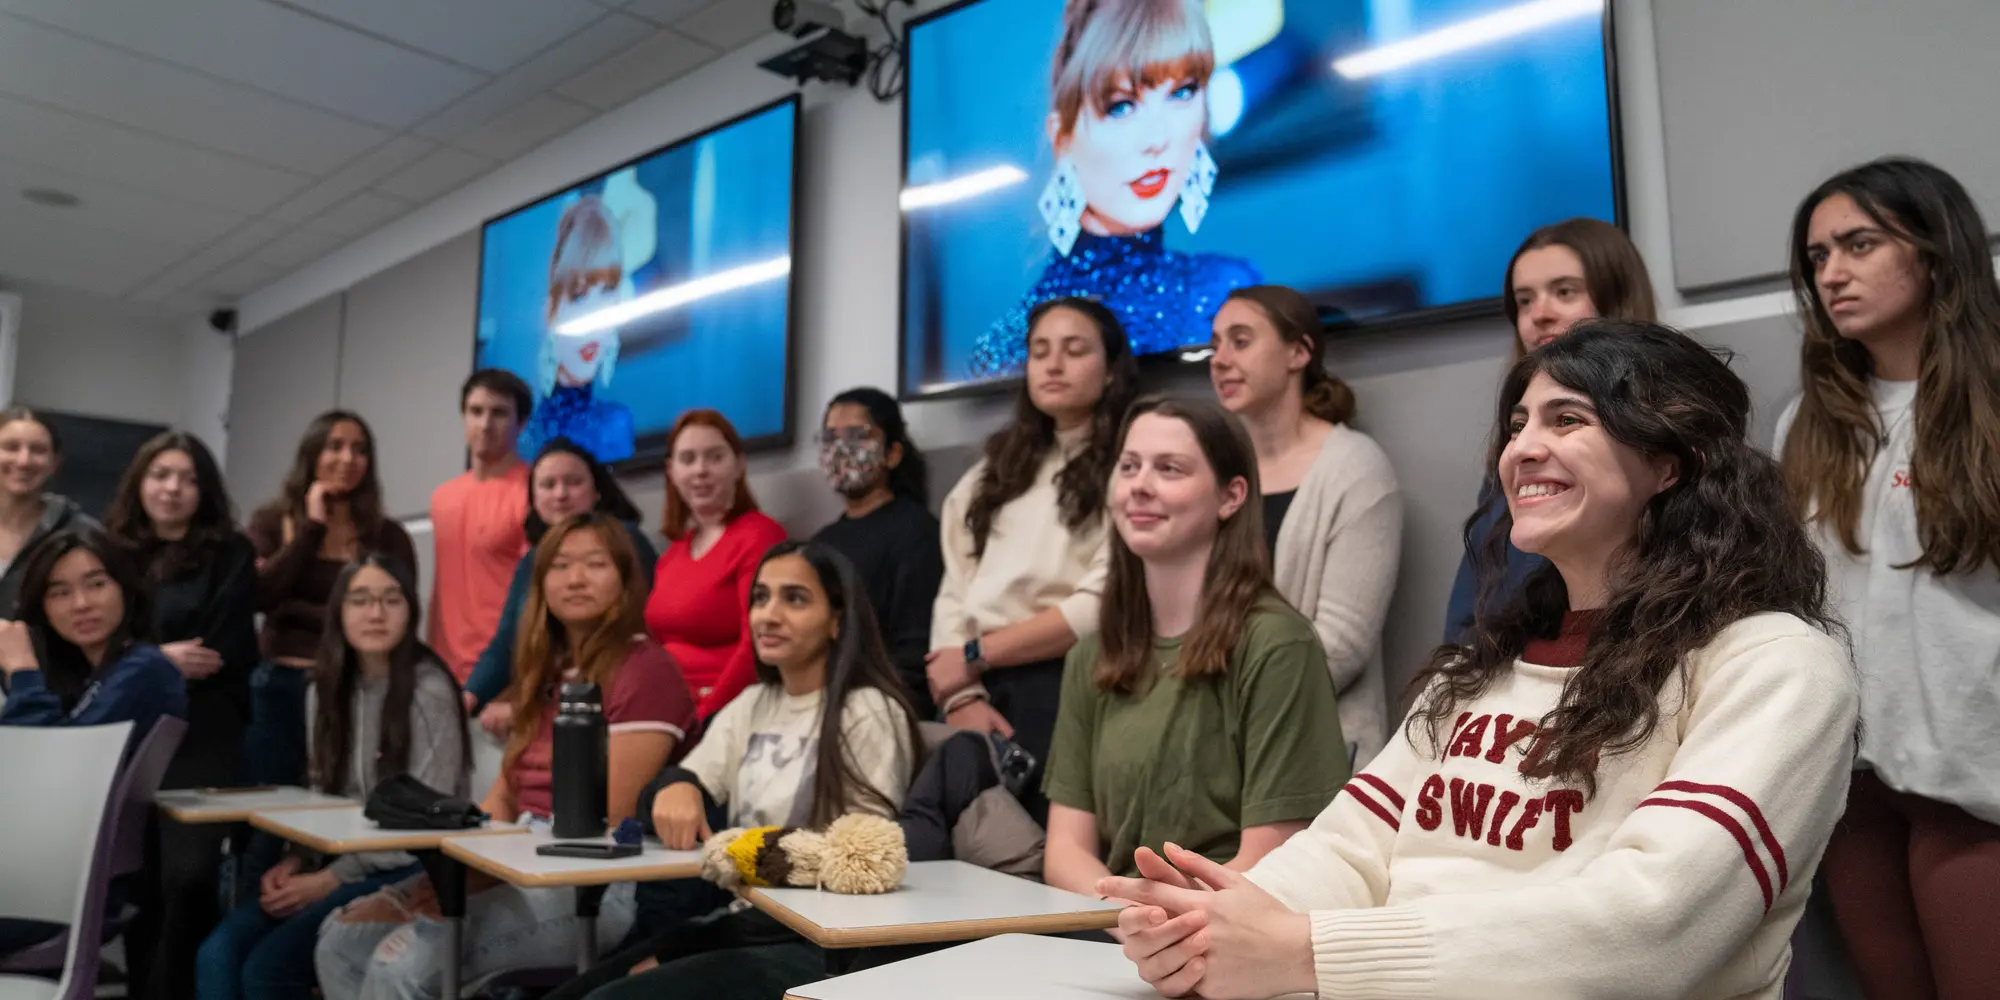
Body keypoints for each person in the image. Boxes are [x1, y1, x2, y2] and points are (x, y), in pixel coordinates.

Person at [1104, 322, 1859, 1000]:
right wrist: (1211, 928)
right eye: (1519, 423)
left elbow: (1649, 928)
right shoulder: (1479, 670)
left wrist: (1305, 951)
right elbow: (1346, 853)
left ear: (1671, 463)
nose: (1523, 447)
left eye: (1569, 420)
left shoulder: (1777, 666)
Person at [1774, 156, 2000, 1000]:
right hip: (1856, 783)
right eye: (1818, 258)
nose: (1832, 273)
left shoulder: (1992, 402)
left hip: (1976, 786)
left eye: (1859, 245)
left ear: (1934, 252)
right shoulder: (1810, 422)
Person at [315, 513, 696, 1000]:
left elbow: (604, 819)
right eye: (559, 565)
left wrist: (471, 889)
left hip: (594, 884)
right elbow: (503, 798)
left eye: (595, 564)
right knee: (340, 941)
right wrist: (440, 885)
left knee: (401, 964)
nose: (576, 579)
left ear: (624, 579)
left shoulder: (647, 670)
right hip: (518, 862)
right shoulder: (545, 671)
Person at [545, 542, 923, 1000]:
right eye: (760, 598)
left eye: (795, 598)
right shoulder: (752, 705)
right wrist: (678, 785)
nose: (769, 614)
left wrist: (692, 945)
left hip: (821, 944)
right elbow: (671, 787)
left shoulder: (870, 711)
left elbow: (860, 865)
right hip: (746, 920)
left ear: (838, 620)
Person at [1044, 396, 1347, 906]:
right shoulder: (1092, 654)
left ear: (1230, 498)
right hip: (1111, 929)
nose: (1140, 485)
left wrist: (1162, 918)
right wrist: (1125, 914)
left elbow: (1275, 857)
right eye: (1129, 466)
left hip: (1228, 937)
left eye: (1169, 469)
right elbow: (1065, 851)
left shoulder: (1278, 645)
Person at [195, 554, 469, 1000]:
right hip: (340, 863)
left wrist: (330, 879)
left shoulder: (428, 690)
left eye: (390, 600)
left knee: (268, 970)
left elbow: (427, 823)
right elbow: (322, 795)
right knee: (218, 952)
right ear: (339, 613)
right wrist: (298, 859)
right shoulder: (323, 689)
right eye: (360, 600)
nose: (375, 613)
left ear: (411, 610)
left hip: (410, 866)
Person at [931, 295, 1140, 821]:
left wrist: (977, 655)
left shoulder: (1130, 468)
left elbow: (1101, 604)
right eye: (1040, 350)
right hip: (977, 690)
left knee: (1044, 857)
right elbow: (955, 589)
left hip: (1074, 681)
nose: (1053, 364)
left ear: (1111, 370)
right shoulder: (992, 472)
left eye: (1075, 350)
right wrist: (963, 696)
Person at [967, 0, 1259, 378]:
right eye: (1121, 106)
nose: (1158, 138)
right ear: (1064, 137)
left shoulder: (1231, 288)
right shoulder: (1010, 346)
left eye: (1183, 92)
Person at [1209, 285, 1401, 765]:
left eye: (1240, 340)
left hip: (1316, 749)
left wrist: (1208, 705)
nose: (1220, 359)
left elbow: (1341, 646)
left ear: (1298, 352)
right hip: (1206, 745)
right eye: (1214, 344)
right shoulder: (1211, 469)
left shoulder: (1354, 467)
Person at [1441, 217, 1657, 643]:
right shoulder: (1512, 455)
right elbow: (1467, 619)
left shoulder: (1669, 436)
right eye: (1524, 300)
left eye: (1564, 292)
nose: (1540, 315)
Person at [104, 431, 262, 1000]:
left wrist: (135, 658)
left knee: (189, 877)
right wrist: (156, 659)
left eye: (188, 478)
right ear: (139, 482)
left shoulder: (231, 552)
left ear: (206, 490)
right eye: (161, 475)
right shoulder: (108, 552)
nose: (173, 488)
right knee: (135, 880)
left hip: (206, 728)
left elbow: (216, 654)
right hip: (125, 728)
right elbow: (95, 645)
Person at [0, 529, 189, 955]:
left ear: (126, 587)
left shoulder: (143, 668)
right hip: (40, 878)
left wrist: (22, 670)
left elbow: (60, 773)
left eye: (96, 584)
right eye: (60, 593)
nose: (81, 604)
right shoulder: (89, 678)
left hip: (57, 893)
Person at [248, 411, 417, 788]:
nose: (347, 459)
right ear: (312, 454)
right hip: (280, 684)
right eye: (334, 447)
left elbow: (398, 614)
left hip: (352, 685)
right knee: (265, 809)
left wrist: (294, 610)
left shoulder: (388, 536)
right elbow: (259, 596)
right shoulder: (272, 521)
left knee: (339, 798)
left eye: (359, 450)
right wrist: (311, 529)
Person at [462, 436, 657, 727]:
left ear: (597, 491)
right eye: (547, 485)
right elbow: (507, 642)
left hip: (617, 701)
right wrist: (466, 698)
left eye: (573, 482)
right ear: (533, 498)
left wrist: (533, 708)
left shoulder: (626, 543)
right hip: (549, 704)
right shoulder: (532, 561)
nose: (560, 494)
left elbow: (632, 637)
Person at [810, 388, 944, 717]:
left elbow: (914, 656)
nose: (841, 449)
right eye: (830, 438)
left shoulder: (917, 532)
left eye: (858, 435)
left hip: (883, 710)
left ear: (892, 453)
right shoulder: (818, 544)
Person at [645, 409, 788, 717]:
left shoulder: (759, 536)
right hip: (666, 710)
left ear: (739, 465)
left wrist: (703, 718)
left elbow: (758, 645)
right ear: (671, 472)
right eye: (688, 459)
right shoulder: (672, 555)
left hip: (725, 715)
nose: (700, 470)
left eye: (714, 457)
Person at [519, 193, 642, 463]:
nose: (595, 317)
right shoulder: (525, 436)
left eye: (608, 291)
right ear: (551, 311)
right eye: (579, 295)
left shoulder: (617, 424)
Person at [429, 369, 534, 684]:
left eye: (499, 413)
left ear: (521, 423)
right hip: (442, 674)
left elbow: (538, 595)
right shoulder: (442, 497)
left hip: (504, 676)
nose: (485, 425)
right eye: (476, 411)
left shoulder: (534, 492)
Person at [0, 407, 97, 620]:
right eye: (11, 447)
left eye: (38, 450)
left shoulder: (81, 534)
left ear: (54, 463)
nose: (23, 460)